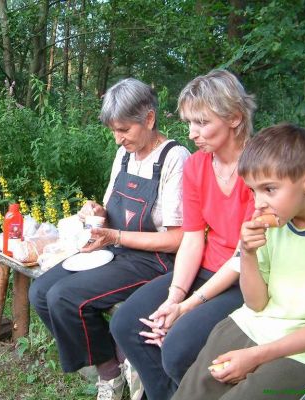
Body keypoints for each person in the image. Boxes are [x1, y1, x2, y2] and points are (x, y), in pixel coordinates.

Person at [28, 78, 190, 400]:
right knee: (41, 292)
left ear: (149, 119)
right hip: (114, 248)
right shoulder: (125, 156)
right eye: (114, 131)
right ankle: (109, 365)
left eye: (124, 130)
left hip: (154, 260)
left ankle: (112, 375)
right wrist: (95, 210)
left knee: (64, 297)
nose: (118, 139)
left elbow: (177, 240)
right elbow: (111, 208)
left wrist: (114, 235)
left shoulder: (175, 158)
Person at [110, 69, 256, 400]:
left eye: (201, 123)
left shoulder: (260, 166)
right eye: (189, 123)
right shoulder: (197, 166)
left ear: (234, 118)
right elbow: (192, 237)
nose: (192, 134)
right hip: (204, 268)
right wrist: (175, 297)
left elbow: (242, 257)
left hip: (245, 279)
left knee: (176, 349)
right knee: (127, 324)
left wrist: (185, 307)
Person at [173, 123, 305, 400]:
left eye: (269, 189)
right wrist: (246, 253)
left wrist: (255, 356)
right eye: (253, 191)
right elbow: (256, 303)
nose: (258, 203)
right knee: (191, 392)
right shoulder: (272, 225)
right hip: (251, 324)